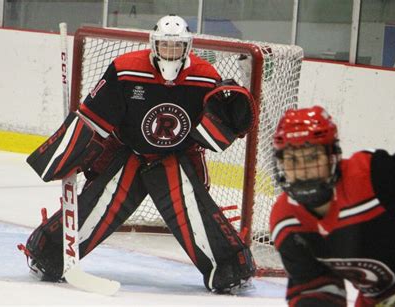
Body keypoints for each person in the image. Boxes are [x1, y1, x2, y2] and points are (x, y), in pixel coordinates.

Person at [18, 14, 257, 294]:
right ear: (154, 45)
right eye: (166, 46)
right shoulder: (126, 69)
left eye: (177, 47)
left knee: (193, 212)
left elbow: (213, 124)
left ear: (187, 47)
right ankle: (48, 255)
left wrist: (228, 123)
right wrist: (66, 154)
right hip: (129, 152)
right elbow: (92, 118)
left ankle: (230, 268)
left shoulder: (205, 76)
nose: (170, 53)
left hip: (175, 158)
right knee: (98, 206)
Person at [269, 105, 395, 306]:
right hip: (381, 298)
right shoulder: (287, 219)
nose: (303, 170)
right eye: (292, 160)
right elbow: (315, 287)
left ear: (333, 155)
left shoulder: (374, 176)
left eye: (312, 157)